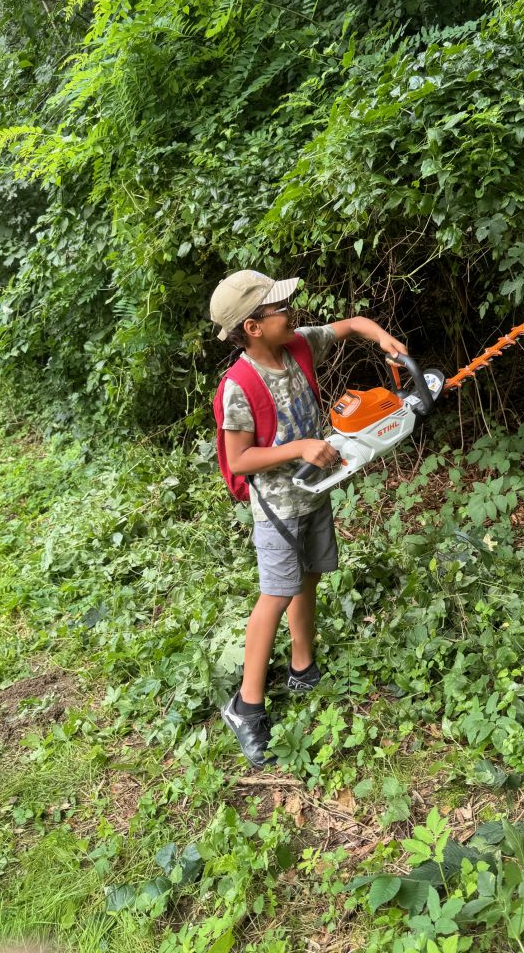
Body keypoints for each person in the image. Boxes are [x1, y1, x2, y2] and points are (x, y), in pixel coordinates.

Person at [210, 269, 407, 767]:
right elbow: (238, 460)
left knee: (309, 577)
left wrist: (382, 337)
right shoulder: (239, 386)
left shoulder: (297, 346)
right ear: (253, 326)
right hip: (277, 508)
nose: (291, 311)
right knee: (275, 594)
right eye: (279, 308)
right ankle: (246, 706)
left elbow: (351, 325)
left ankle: (301, 665)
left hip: (316, 493)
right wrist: (297, 446)